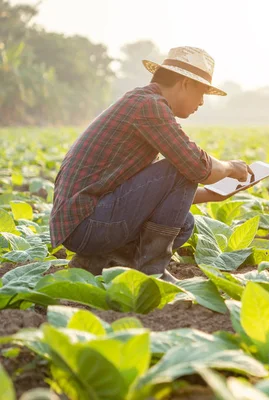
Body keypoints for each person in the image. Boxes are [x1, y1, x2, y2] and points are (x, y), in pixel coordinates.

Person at [49, 46, 252, 283]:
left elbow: (154, 192)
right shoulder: (150, 106)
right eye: (202, 92)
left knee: (184, 223)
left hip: (84, 222)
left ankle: (96, 262)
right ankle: (152, 272)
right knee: (183, 165)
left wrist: (211, 195)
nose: (202, 102)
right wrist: (230, 168)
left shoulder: (142, 101)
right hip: (87, 224)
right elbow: (196, 166)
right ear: (185, 83)